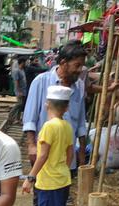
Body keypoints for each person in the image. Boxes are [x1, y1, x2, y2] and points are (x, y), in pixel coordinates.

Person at [23, 41, 87, 170]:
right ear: (63, 63)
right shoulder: (41, 82)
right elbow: (30, 118)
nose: (80, 70)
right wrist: (31, 146)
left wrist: (81, 152)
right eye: (77, 65)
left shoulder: (79, 85)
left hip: (67, 158)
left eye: (82, 66)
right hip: (44, 156)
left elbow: (80, 122)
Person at [21, 86, 74, 206]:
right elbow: (70, 154)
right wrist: (62, 169)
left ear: (47, 104)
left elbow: (42, 155)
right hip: (63, 179)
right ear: (66, 107)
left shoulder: (49, 126)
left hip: (48, 183)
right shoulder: (67, 126)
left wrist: (30, 177)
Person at [9, 56, 28, 126]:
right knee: (19, 104)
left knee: (21, 105)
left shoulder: (22, 70)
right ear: (22, 62)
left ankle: (17, 119)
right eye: (25, 62)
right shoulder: (16, 71)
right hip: (19, 91)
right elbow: (16, 82)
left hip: (23, 90)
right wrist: (19, 91)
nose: (26, 63)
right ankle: (11, 114)